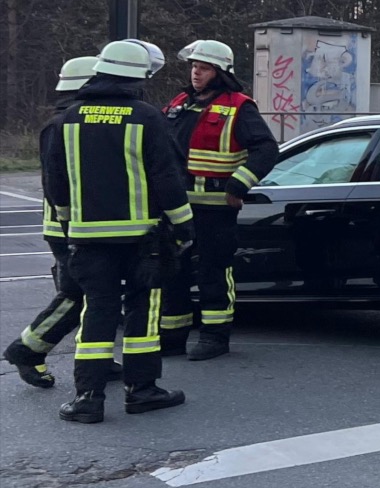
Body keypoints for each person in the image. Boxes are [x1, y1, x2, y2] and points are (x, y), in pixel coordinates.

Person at [43, 40, 194, 423]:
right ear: (138, 78)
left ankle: (88, 398)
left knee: (98, 310)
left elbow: (55, 183)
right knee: (143, 312)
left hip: (88, 239)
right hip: (143, 239)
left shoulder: (68, 118)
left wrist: (66, 221)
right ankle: (142, 391)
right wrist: (183, 224)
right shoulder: (146, 116)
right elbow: (165, 177)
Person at [161, 39, 279, 361]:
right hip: (176, 207)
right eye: (194, 67)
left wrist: (238, 185)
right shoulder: (180, 103)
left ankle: (214, 338)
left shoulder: (240, 106)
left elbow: (267, 150)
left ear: (220, 71)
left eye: (203, 68)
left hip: (215, 207)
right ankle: (171, 338)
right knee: (173, 273)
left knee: (214, 271)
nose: (195, 73)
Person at [3, 56, 108, 389]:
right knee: (77, 294)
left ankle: (97, 358)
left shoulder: (72, 120)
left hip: (77, 225)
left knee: (91, 295)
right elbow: (56, 182)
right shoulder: (62, 124)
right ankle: (28, 349)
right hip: (67, 227)